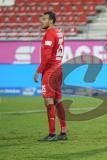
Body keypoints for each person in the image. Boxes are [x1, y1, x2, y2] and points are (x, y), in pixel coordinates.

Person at [34, 11, 67, 141]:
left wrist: (38, 71)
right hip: (59, 69)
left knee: (48, 101)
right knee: (58, 101)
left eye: (44, 19)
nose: (42, 21)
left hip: (50, 71)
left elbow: (47, 56)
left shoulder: (49, 33)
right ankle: (63, 132)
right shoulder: (59, 32)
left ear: (51, 21)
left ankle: (52, 134)